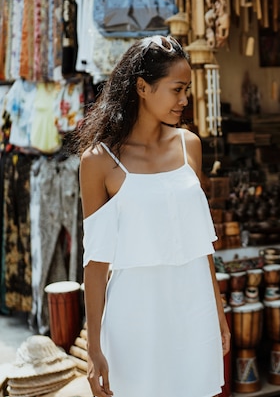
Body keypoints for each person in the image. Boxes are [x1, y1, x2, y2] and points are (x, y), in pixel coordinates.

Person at [74, 35, 230, 397]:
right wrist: (94, 348)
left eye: (187, 89)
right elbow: (96, 263)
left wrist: (217, 311)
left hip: (194, 308)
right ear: (142, 87)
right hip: (136, 317)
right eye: (177, 89)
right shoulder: (99, 160)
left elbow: (200, 243)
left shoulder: (189, 145)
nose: (185, 99)